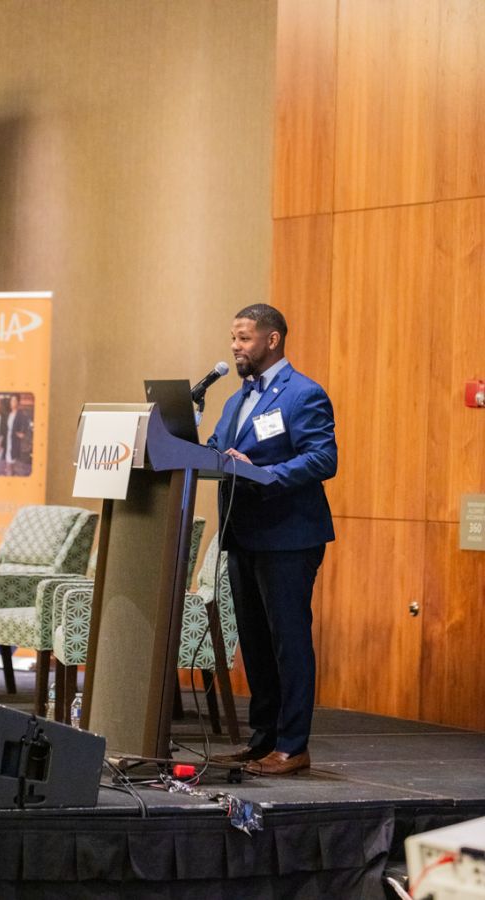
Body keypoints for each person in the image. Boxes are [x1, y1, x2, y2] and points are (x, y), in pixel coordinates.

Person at [208, 303, 337, 776]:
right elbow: (217, 452)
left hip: (288, 537)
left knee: (288, 642)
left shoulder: (303, 393)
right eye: (233, 338)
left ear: (272, 339)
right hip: (243, 535)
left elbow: (323, 458)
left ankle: (292, 746)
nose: (235, 346)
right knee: (256, 643)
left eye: (243, 338)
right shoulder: (236, 400)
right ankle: (262, 741)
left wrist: (263, 475)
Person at [2, 393, 28, 476]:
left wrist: (22, 434)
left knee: (13, 464)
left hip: (14, 442)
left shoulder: (21, 414)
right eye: (11, 400)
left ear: (18, 402)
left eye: (14, 401)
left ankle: (12, 478)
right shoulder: (9, 414)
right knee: (8, 464)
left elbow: (26, 425)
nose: (12, 402)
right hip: (8, 441)